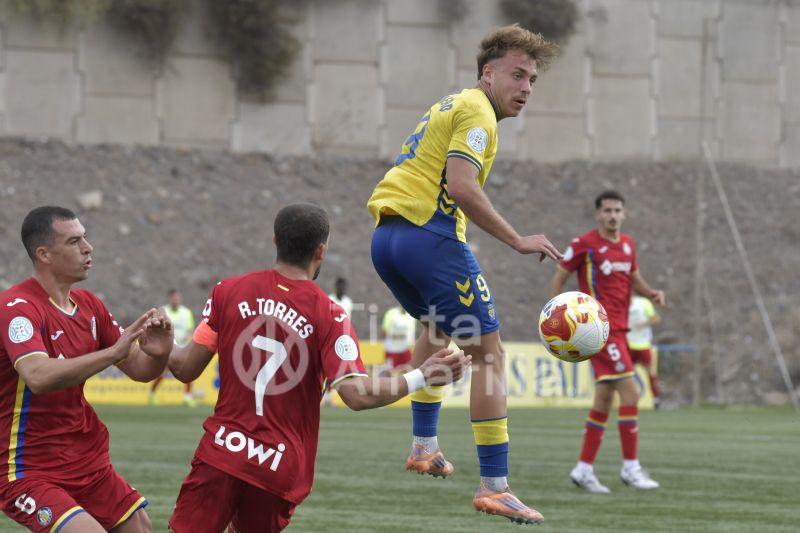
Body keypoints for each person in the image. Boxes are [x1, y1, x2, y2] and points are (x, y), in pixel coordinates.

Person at [166, 204, 470, 533]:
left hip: (222, 454)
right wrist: (422, 375)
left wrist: (150, 342)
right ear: (320, 251)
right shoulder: (330, 315)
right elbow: (356, 395)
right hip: (278, 467)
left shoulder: (228, 292)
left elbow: (184, 367)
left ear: (274, 240)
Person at [367, 25, 561, 525]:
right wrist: (518, 238)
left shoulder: (451, 104)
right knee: (489, 355)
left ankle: (424, 447)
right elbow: (461, 184)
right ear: (487, 74)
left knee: (436, 329)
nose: (526, 88)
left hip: (388, 239)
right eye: (517, 75)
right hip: (428, 236)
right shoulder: (478, 111)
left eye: (533, 79)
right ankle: (495, 486)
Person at [0, 206, 173, 532]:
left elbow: (139, 369)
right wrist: (111, 353)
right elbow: (38, 376)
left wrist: (160, 352)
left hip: (86, 461)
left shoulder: (90, 305)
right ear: (45, 254)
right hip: (28, 468)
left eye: (85, 238)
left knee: (140, 528)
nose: (88, 247)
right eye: (74, 241)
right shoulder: (17, 309)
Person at [548, 190, 666, 494]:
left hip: (621, 331)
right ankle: (630, 468)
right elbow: (560, 275)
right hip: (598, 330)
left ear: (624, 214)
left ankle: (583, 469)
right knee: (631, 391)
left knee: (603, 400)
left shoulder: (627, 245)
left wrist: (650, 293)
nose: (613, 215)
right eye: (607, 210)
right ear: (598, 214)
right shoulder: (584, 245)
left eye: (617, 210)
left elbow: (634, 277)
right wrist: (555, 314)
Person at [148, 289, 196, 407]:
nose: (176, 300)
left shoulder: (186, 312)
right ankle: (152, 394)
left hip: (182, 347)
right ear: (170, 299)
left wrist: (188, 338)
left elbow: (190, 329)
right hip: (167, 348)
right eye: (174, 298)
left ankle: (187, 397)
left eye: (178, 298)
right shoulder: (164, 311)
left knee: (189, 371)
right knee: (162, 373)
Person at [627, 294, 662, 408]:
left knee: (650, 372)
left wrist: (644, 323)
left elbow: (656, 318)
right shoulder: (620, 303)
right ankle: (629, 401)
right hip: (627, 345)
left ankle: (656, 399)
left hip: (643, 345)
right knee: (625, 375)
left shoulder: (643, 303)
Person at [381, 305, 417, 372]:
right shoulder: (391, 313)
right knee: (390, 373)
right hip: (392, 350)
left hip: (405, 349)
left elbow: (411, 334)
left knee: (410, 371)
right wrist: (398, 336)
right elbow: (384, 332)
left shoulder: (412, 316)